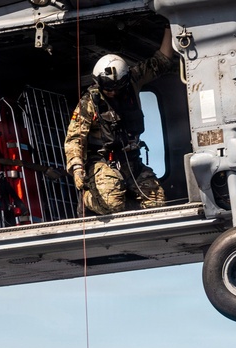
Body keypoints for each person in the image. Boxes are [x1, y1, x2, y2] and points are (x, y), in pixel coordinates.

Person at [64, 27, 177, 215]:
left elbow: (162, 62)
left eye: (117, 88)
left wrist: (169, 25)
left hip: (132, 160)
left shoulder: (132, 80)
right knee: (112, 204)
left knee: (157, 203)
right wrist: (76, 168)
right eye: (108, 89)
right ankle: (88, 198)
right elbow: (75, 137)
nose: (113, 93)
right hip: (102, 162)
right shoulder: (89, 102)